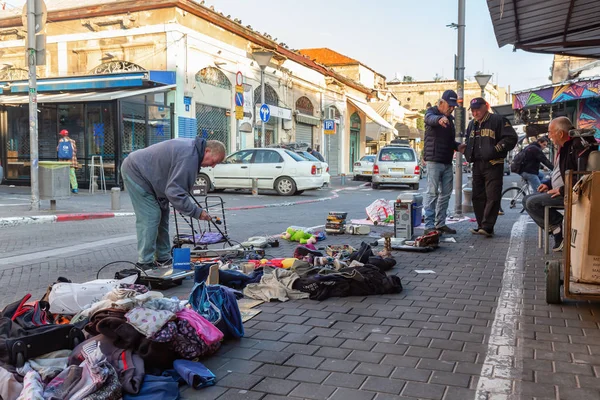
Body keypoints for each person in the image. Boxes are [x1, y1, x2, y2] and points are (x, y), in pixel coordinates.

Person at [121, 137, 226, 269]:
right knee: (151, 215)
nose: (212, 166)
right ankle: (144, 262)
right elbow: (175, 193)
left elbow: (175, 188)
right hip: (136, 171)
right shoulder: (189, 156)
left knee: (163, 215)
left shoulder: (193, 153)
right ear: (207, 151)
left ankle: (163, 257)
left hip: (153, 179)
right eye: (214, 161)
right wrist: (197, 212)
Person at [523, 117, 597, 251]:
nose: (549, 136)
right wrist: (548, 184)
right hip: (562, 189)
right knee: (527, 199)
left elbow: (582, 176)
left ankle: (557, 228)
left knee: (531, 202)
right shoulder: (564, 147)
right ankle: (557, 229)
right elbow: (558, 173)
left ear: (561, 133)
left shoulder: (577, 145)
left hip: (570, 191)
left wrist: (562, 190)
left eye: (551, 132)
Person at [464, 97, 518, 237]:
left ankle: (488, 227)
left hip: (493, 163)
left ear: (486, 106)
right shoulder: (472, 124)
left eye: (478, 110)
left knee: (492, 196)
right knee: (477, 196)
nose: (475, 113)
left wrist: (496, 149)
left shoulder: (498, 120)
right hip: (477, 164)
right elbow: (468, 140)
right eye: (473, 110)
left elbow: (511, 138)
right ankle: (481, 224)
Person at [422, 89, 466, 234]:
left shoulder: (450, 121)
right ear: (441, 103)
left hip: (447, 161)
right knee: (432, 192)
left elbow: (448, 141)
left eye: (454, 106)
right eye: (450, 105)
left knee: (446, 194)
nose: (452, 109)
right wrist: (439, 119)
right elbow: (429, 119)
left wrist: (458, 146)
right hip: (433, 160)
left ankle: (440, 223)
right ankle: (429, 226)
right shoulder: (432, 112)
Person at [57, 129, 79, 194]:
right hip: (72, 161)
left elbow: (58, 149)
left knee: (63, 174)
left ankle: (63, 187)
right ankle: (75, 188)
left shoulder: (61, 141)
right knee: (72, 174)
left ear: (62, 135)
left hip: (63, 161)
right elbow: (75, 150)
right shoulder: (72, 141)